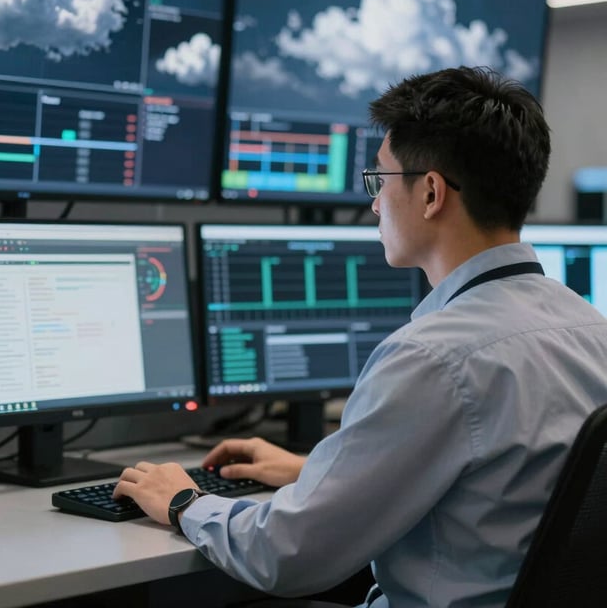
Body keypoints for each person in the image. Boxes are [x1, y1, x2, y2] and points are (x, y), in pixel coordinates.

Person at [114, 66, 607, 608]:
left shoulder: (431, 358)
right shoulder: (591, 331)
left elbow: (286, 556)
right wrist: (318, 475)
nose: (374, 204)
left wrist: (184, 499)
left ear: (431, 193)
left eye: (380, 181)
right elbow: (516, 483)